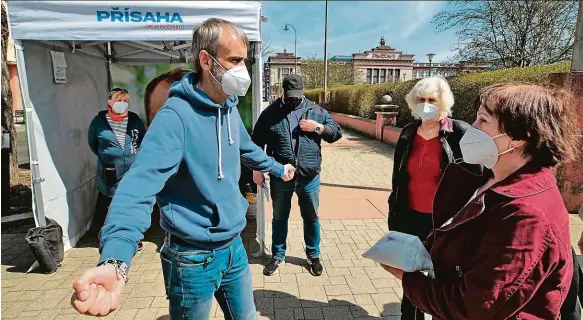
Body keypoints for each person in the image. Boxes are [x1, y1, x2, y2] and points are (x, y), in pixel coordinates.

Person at [71, 18, 296, 319]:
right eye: (234, 60)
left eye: (245, 60)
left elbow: (247, 149)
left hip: (234, 250)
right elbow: (137, 188)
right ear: (206, 60)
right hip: (192, 259)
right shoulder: (174, 118)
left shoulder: (228, 108)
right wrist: (115, 259)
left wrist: (278, 168)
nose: (243, 70)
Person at [383, 83, 580, 319]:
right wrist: (422, 250)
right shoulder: (489, 176)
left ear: (517, 138)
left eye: (483, 121)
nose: (472, 128)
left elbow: (474, 307)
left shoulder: (525, 214)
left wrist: (409, 280)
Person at [387, 76, 480, 319]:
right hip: (409, 217)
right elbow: (397, 179)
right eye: (421, 100)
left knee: (444, 280)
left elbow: (477, 176)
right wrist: (394, 215)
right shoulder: (408, 132)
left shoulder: (459, 132)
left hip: (444, 222)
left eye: (432, 99)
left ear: (443, 102)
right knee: (411, 277)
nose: (426, 104)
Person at [252, 74, 342, 277]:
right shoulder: (271, 113)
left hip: (309, 176)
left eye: (297, 95)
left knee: (311, 217)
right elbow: (256, 142)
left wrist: (318, 127)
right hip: (280, 176)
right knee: (279, 217)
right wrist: (257, 170)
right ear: (283, 92)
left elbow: (336, 133)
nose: (293, 99)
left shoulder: (316, 111)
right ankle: (277, 255)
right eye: (290, 95)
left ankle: (313, 255)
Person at [87, 88, 146, 250]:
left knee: (132, 206)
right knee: (110, 206)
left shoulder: (134, 119)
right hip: (110, 173)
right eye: (119, 101)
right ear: (110, 102)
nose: (122, 104)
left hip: (132, 171)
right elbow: (93, 144)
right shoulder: (98, 122)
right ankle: (107, 237)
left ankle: (133, 237)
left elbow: (142, 139)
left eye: (125, 101)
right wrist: (110, 157)